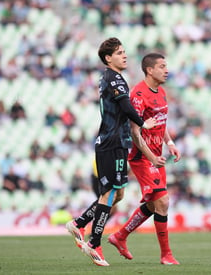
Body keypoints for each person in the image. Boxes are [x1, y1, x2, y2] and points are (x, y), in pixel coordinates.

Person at [65, 37, 156, 266]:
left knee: (119, 194)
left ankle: (78, 224)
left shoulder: (114, 77)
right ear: (108, 58)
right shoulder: (113, 78)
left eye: (125, 52)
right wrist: (144, 124)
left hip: (117, 141)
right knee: (110, 193)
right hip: (111, 141)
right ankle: (94, 243)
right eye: (119, 53)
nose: (124, 55)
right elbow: (125, 106)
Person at [107, 53, 181, 265]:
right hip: (142, 156)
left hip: (156, 155)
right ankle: (166, 255)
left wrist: (170, 144)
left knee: (154, 204)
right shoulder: (138, 95)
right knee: (163, 202)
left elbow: (161, 122)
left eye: (166, 66)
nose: (166, 70)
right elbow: (134, 132)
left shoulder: (162, 92)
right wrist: (151, 157)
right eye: (162, 66)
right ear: (149, 70)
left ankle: (120, 237)